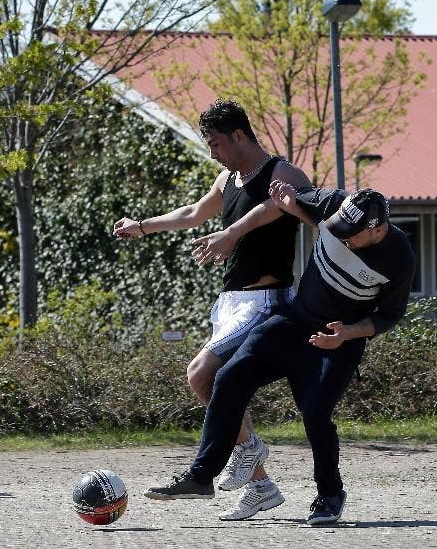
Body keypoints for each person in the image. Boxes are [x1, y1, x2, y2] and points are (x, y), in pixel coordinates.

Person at [144, 183, 416, 526]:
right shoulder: (335, 203)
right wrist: (289, 199)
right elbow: (299, 205)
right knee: (228, 377)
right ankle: (201, 477)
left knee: (316, 414)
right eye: (340, 229)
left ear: (377, 230)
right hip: (295, 321)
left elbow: (389, 314)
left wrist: (348, 333)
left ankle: (330, 496)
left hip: (338, 339)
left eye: (353, 235)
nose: (344, 237)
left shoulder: (399, 256)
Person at [113, 99, 310, 520]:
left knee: (201, 373)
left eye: (217, 143)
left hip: (266, 300)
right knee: (220, 382)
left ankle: (244, 449)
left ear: (240, 135)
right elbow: (192, 213)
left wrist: (230, 234)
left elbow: (274, 207)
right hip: (232, 302)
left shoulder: (284, 174)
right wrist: (142, 226)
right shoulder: (227, 177)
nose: (213, 152)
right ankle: (259, 484)